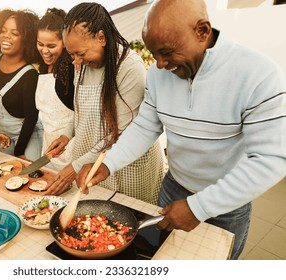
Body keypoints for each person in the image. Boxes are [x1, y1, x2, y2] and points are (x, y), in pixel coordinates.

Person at [76, 0, 286, 260]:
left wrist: (199, 207)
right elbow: (145, 126)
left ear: (202, 31)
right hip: (172, 189)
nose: (161, 65)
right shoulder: (157, 74)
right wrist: (108, 163)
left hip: (226, 205)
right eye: (155, 55)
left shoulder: (258, 75)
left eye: (167, 52)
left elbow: (270, 159)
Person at [45, 2, 165, 205]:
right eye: (72, 54)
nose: (76, 61)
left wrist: (74, 167)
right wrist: (67, 133)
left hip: (127, 164)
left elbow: (120, 132)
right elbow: (81, 108)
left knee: (128, 219)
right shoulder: (82, 64)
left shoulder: (129, 66)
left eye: (80, 54)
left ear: (101, 37)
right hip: (92, 159)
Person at [0, 9, 41, 160]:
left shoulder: (30, 75)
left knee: (30, 175)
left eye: (15, 33)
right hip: (3, 135)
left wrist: (19, 152)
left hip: (27, 136)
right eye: (3, 30)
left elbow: (31, 118)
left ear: (27, 40)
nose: (6, 36)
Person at [35, 8, 75, 171]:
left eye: (51, 46)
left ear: (64, 43)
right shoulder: (43, 68)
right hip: (49, 144)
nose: (45, 51)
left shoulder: (72, 70)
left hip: (71, 147)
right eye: (40, 44)